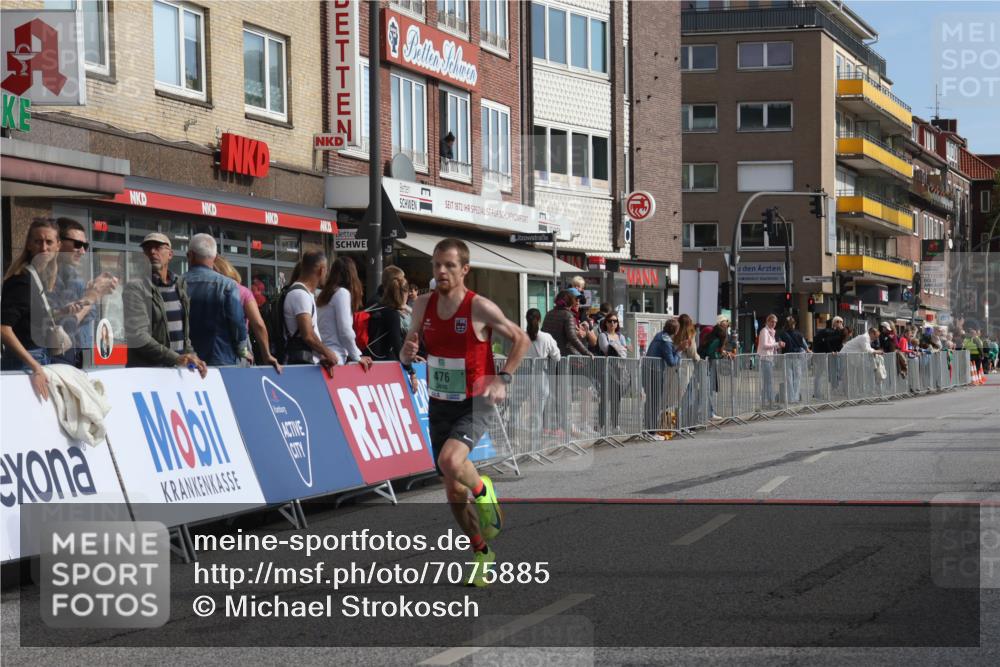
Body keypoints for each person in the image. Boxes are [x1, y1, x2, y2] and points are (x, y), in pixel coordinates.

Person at [400, 238, 529, 587]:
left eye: (449, 266)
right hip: (440, 401)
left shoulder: (479, 307)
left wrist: (504, 378)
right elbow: (407, 349)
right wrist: (407, 353)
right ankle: (481, 551)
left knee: (452, 461)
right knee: (453, 492)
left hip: (477, 398)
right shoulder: (422, 305)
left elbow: (521, 338)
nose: (441, 271)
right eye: (437, 265)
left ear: (465, 270)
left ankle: (485, 493)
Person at [123, 232, 207, 377]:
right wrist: (176, 358)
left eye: (158, 247)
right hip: (148, 373)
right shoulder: (136, 287)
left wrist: (193, 357)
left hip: (176, 372)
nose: (152, 252)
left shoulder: (180, 285)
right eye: (147, 249)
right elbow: (138, 336)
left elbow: (183, 334)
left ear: (170, 254)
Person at [1, 219, 64, 399]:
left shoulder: (39, 279)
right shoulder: (21, 281)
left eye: (49, 242)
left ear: (58, 246)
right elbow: (3, 328)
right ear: (29, 245)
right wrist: (35, 366)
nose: (43, 247)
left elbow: (28, 318)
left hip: (37, 358)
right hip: (25, 362)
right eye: (38, 241)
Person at [50, 218, 118, 366]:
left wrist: (91, 292)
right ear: (59, 243)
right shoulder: (47, 277)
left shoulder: (74, 276)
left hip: (74, 355)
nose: (82, 251)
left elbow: (89, 315)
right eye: (77, 244)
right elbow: (67, 325)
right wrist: (92, 296)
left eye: (85, 246)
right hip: (53, 359)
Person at [184, 234, 247, 367]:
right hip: (221, 359)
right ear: (215, 257)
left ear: (190, 255)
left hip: (187, 361)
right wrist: (243, 351)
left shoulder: (176, 283)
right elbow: (237, 322)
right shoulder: (227, 285)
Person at [214, 255, 281, 372]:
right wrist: (266, 354)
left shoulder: (209, 290)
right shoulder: (242, 292)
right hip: (238, 348)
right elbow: (258, 325)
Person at [282, 251, 340, 368]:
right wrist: (327, 352)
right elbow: (307, 335)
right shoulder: (300, 294)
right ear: (321, 270)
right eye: (326, 270)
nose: (326, 274)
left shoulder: (305, 293)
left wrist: (321, 355)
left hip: (307, 361)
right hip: (301, 365)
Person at [316, 257, 372, 368]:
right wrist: (357, 355)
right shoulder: (342, 293)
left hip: (324, 355)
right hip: (336, 357)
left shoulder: (325, 295)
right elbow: (345, 331)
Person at [523, 308, 560, 437]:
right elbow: (557, 357)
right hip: (540, 375)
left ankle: (515, 433)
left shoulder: (521, 336)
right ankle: (535, 436)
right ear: (539, 320)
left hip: (523, 374)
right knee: (539, 406)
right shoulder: (546, 337)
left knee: (519, 406)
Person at [643, 319, 681, 436]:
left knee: (650, 400)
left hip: (648, 370)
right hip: (655, 372)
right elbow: (671, 361)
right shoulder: (666, 341)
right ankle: (652, 429)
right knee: (654, 401)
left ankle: (649, 426)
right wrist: (679, 351)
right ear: (675, 330)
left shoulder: (659, 336)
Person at [368, 265, 409, 362]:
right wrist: (410, 369)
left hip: (374, 356)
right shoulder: (387, 308)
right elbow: (396, 342)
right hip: (384, 359)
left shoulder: (375, 300)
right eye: (401, 280)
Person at [597, 312, 629, 430]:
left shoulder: (621, 336)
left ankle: (615, 424)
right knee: (605, 398)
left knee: (616, 399)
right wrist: (619, 348)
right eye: (610, 321)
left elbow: (624, 353)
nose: (612, 323)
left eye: (614, 321)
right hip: (606, 370)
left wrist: (616, 347)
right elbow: (606, 349)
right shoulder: (603, 335)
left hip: (619, 370)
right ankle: (602, 425)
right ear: (605, 323)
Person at [542, 291, 592, 357]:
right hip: (565, 355)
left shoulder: (548, 314)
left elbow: (543, 332)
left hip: (549, 354)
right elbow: (572, 337)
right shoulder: (568, 315)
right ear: (571, 302)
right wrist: (587, 352)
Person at [702, 317, 734, 419]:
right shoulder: (716, 339)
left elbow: (714, 351)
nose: (727, 325)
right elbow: (711, 353)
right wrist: (720, 356)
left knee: (708, 390)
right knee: (707, 390)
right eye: (725, 323)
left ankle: (709, 412)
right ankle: (708, 413)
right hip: (707, 366)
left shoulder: (713, 337)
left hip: (708, 366)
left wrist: (722, 354)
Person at [778, 316, 809, 403]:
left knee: (789, 378)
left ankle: (790, 398)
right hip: (797, 357)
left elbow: (780, 348)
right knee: (797, 378)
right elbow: (805, 346)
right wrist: (808, 351)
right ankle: (795, 397)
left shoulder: (782, 334)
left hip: (787, 357)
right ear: (794, 324)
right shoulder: (799, 334)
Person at [756, 314, 783, 408]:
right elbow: (764, 345)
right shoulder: (764, 331)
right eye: (772, 321)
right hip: (765, 359)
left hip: (769, 359)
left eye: (775, 322)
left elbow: (771, 345)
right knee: (768, 381)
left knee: (767, 381)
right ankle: (770, 402)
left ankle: (765, 402)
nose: (773, 323)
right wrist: (776, 344)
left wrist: (778, 345)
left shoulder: (771, 332)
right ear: (767, 322)